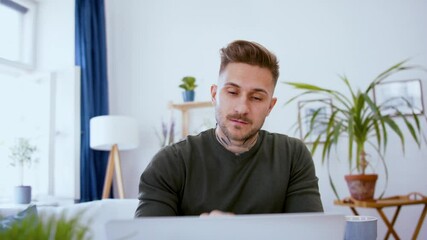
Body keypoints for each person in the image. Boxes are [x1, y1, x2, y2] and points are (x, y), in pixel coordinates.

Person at [135, 40, 323, 217]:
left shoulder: (292, 157)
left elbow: (312, 234)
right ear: (215, 94)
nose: (242, 108)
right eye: (232, 92)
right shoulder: (170, 163)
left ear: (270, 107)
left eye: (256, 98)